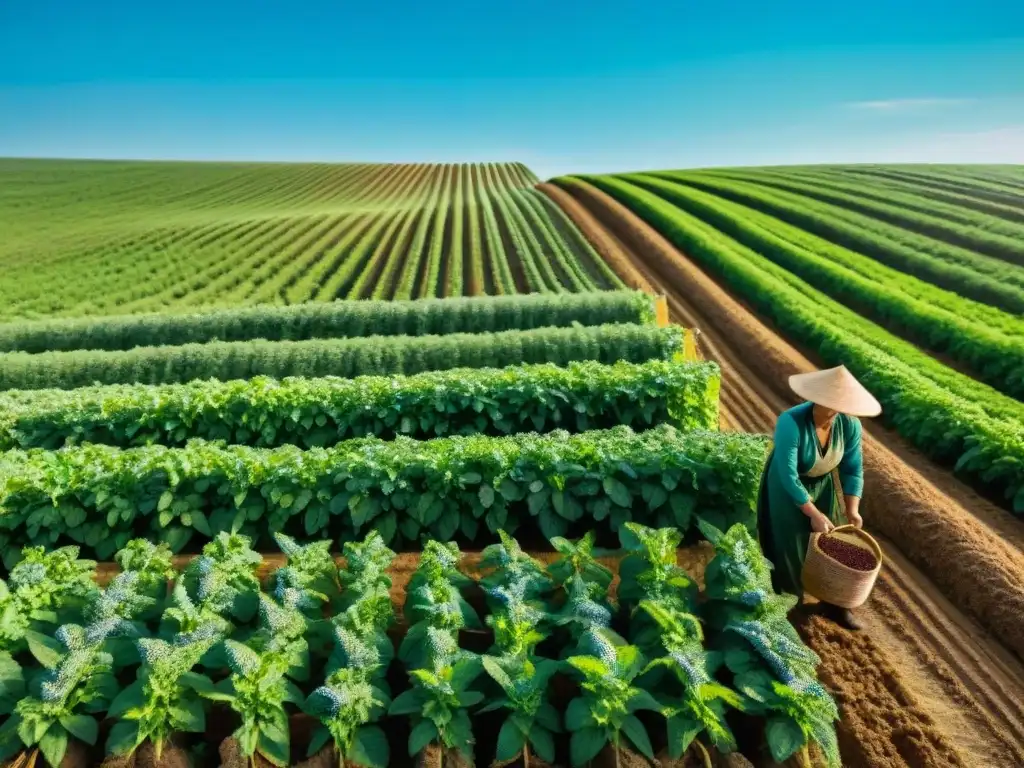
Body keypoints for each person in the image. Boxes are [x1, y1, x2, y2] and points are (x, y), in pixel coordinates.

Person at [756, 365, 881, 631]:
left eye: (841, 404)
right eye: (831, 403)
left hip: (821, 485)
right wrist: (812, 513)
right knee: (790, 544)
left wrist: (852, 509)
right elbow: (788, 474)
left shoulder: (849, 425)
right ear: (817, 398)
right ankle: (790, 606)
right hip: (785, 486)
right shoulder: (791, 422)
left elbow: (852, 469)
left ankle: (835, 604)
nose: (836, 409)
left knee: (835, 541)